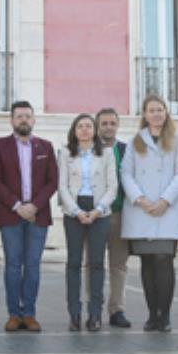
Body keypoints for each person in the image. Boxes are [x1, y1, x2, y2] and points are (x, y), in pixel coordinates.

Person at [120, 95, 178, 333]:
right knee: (147, 262)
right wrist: (140, 199)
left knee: (164, 260)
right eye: (152, 110)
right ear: (144, 114)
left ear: (166, 112)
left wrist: (164, 201)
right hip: (141, 211)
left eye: (160, 109)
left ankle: (165, 315)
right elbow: (126, 173)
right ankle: (152, 315)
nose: (156, 114)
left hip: (167, 210)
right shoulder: (135, 142)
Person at [0, 101, 58, 333]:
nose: (24, 120)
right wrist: (18, 205)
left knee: (32, 265)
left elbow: (53, 181)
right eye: (19, 116)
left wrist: (35, 206)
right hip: (10, 215)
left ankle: (29, 314)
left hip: (38, 216)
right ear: (11, 120)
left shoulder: (45, 147)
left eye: (28, 116)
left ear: (34, 120)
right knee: (12, 265)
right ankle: (13, 314)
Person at [56, 114, 117, 332]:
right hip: (74, 210)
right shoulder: (65, 153)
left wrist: (98, 210)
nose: (84, 130)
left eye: (88, 126)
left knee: (97, 263)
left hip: (99, 209)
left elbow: (113, 186)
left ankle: (95, 315)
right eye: (80, 126)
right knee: (73, 262)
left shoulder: (107, 153)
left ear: (94, 130)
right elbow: (61, 186)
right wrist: (76, 211)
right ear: (74, 131)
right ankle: (74, 314)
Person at [96, 108, 132, 328]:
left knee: (118, 266)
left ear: (117, 126)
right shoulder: (89, 149)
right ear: (98, 126)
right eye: (104, 123)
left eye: (112, 123)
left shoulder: (126, 150)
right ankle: (94, 309)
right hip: (95, 217)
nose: (108, 127)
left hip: (119, 214)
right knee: (93, 265)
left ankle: (117, 309)